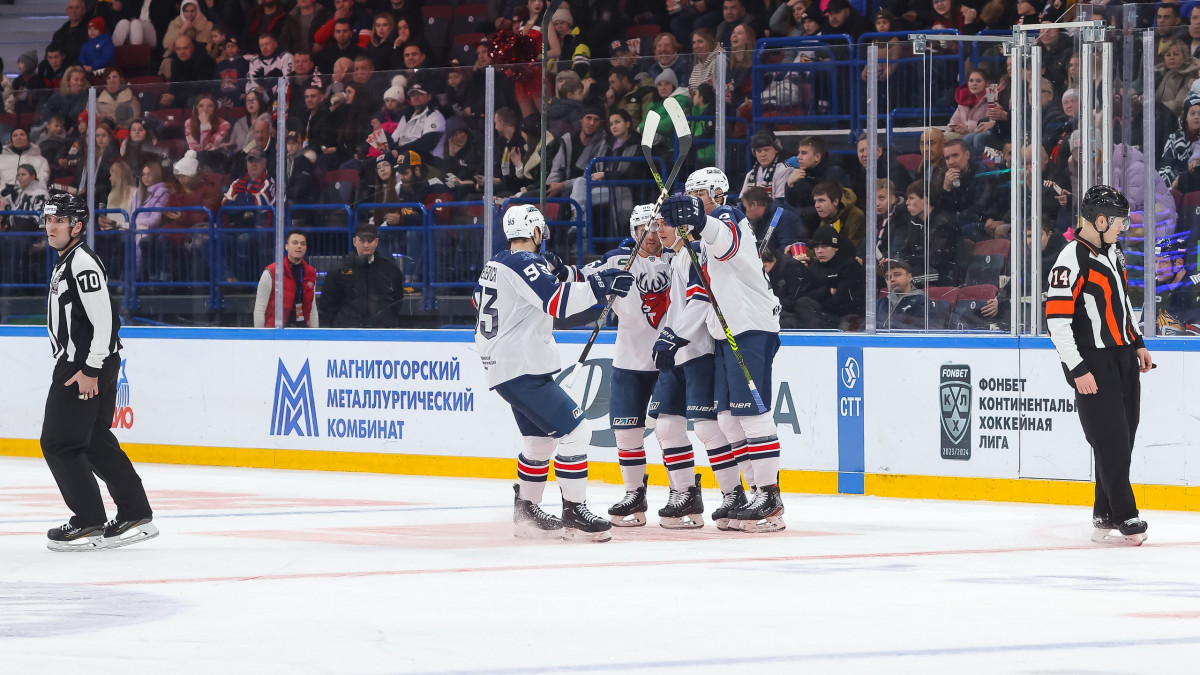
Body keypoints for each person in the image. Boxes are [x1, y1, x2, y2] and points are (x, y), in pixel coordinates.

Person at [473, 204, 632, 541]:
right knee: (576, 432)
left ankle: (527, 511)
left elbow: (481, 300)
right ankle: (574, 513)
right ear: (535, 233)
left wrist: (559, 275)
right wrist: (599, 287)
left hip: (507, 366)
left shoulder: (497, 262)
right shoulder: (525, 262)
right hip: (520, 366)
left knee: (538, 440)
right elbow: (558, 303)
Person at [658, 168, 785, 532]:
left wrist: (698, 218)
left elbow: (724, 239)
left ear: (716, 192)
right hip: (728, 332)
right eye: (691, 195)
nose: (694, 200)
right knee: (729, 420)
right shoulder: (703, 235)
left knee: (753, 414)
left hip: (750, 326)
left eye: (700, 194)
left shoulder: (728, 217)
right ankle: (753, 494)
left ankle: (770, 497)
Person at [38, 192, 158, 552]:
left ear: (77, 225)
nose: (51, 227)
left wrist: (90, 369)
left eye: (59, 220)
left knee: (58, 442)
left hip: (83, 366)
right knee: (93, 442)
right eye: (48, 220)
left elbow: (105, 319)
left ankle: (88, 521)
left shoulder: (81, 263)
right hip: (88, 363)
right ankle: (135, 512)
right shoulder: (68, 260)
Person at [1045, 185, 1153, 546]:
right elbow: (1057, 323)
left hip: (1122, 356)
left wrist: (1136, 342)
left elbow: (1122, 305)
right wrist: (1077, 370)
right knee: (1110, 440)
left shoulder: (1113, 253)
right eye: (1120, 221)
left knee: (1125, 436)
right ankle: (1126, 516)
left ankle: (1104, 512)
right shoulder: (1069, 260)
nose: (1124, 227)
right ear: (1101, 220)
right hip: (1091, 361)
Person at [318, 223, 405, 328]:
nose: (366, 245)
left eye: (370, 241)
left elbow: (396, 301)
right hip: (348, 332)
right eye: (362, 241)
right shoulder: (339, 269)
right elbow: (327, 304)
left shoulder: (390, 269)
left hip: (380, 333)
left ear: (376, 242)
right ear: (355, 241)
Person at [254, 230, 319, 328]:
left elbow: (312, 307)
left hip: (302, 330)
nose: (299, 246)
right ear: (286, 246)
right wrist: (261, 337)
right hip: (275, 333)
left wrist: (315, 334)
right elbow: (260, 307)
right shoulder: (271, 272)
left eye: (303, 244)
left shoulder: (311, 273)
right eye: (295, 243)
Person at [740, 185, 806, 255]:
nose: (745, 214)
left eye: (745, 208)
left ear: (754, 204)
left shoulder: (785, 217)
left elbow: (786, 251)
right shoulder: (760, 221)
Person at [877, 259, 936, 329]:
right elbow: (865, 329)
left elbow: (920, 335)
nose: (892, 279)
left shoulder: (922, 302)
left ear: (909, 277)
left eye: (897, 274)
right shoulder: (880, 303)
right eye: (887, 277)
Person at [813, 181, 865, 256]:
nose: (816, 205)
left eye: (821, 200)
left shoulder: (855, 215)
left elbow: (850, 250)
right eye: (815, 201)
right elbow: (820, 245)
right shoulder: (827, 215)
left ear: (835, 201)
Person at [742, 131, 793, 204]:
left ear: (776, 149)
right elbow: (742, 200)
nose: (763, 154)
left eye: (766, 150)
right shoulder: (750, 175)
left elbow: (781, 202)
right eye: (759, 151)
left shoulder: (785, 170)